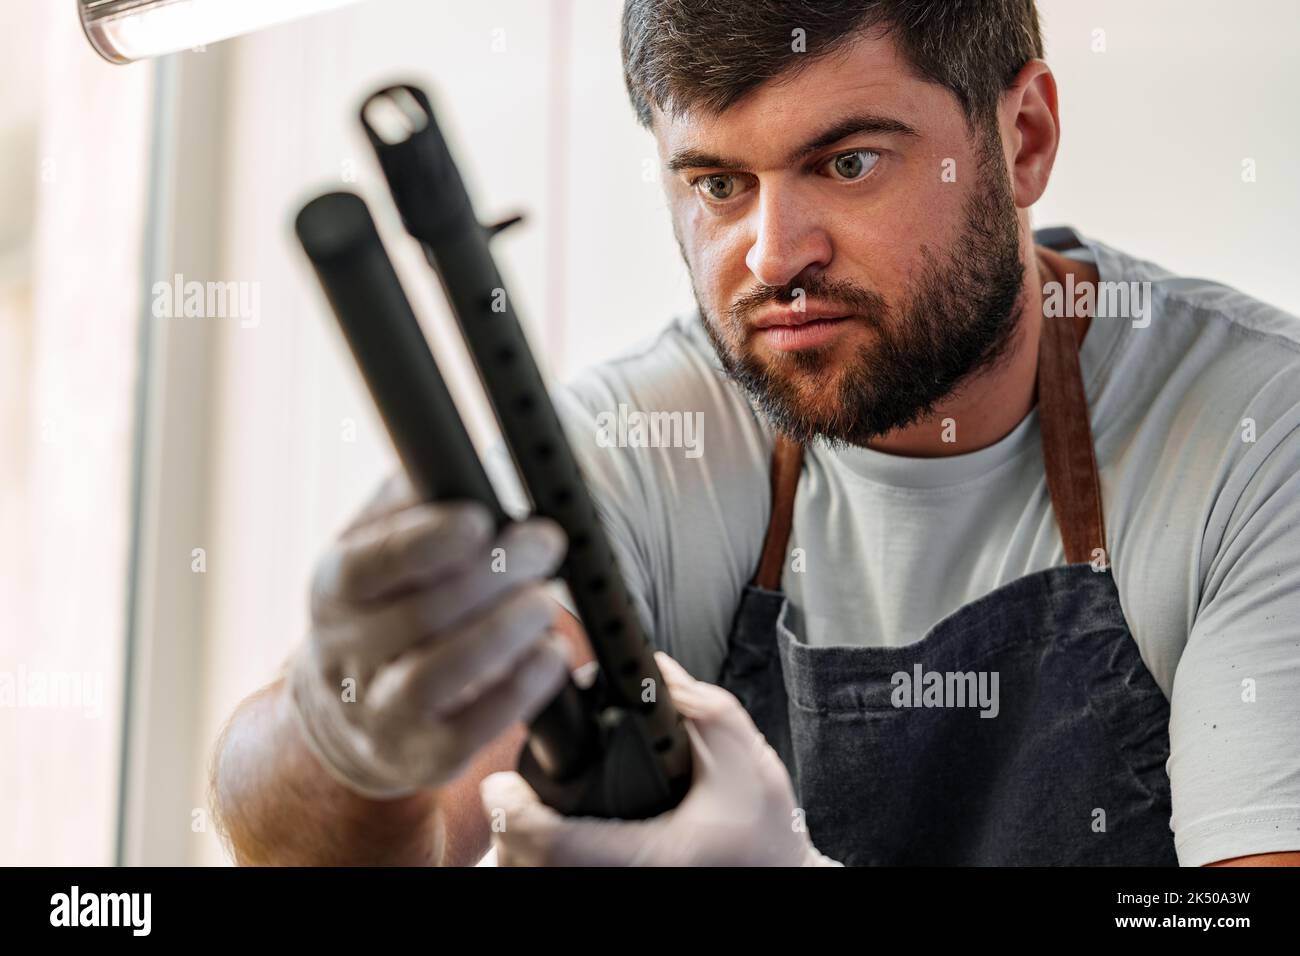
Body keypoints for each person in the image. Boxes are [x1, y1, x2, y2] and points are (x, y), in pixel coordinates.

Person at [210, 0, 1300, 866]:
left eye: (847, 162)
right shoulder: (650, 441)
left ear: (1022, 138)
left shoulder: (1253, 436)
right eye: (720, 184)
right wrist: (340, 729)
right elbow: (341, 832)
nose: (775, 256)